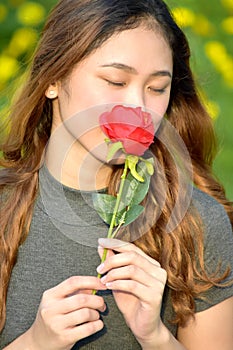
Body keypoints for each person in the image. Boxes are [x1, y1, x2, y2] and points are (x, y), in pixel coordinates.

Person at [0, 0, 232, 349]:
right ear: (53, 79)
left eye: (157, 88)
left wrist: (155, 337)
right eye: (115, 80)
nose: (138, 107)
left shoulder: (197, 223)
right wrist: (35, 343)